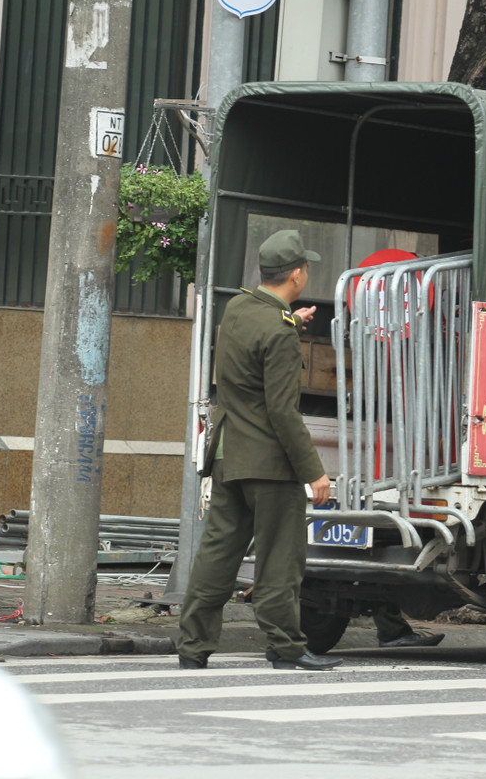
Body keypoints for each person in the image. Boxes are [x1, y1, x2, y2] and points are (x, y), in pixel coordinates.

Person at [177, 230, 341, 671]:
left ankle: (193, 648)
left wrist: (289, 319)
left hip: (229, 454)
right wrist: (314, 472)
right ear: (296, 274)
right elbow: (284, 413)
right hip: (270, 464)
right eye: (305, 267)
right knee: (280, 560)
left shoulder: (239, 309)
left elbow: (258, 337)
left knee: (217, 554)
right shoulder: (281, 332)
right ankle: (285, 647)